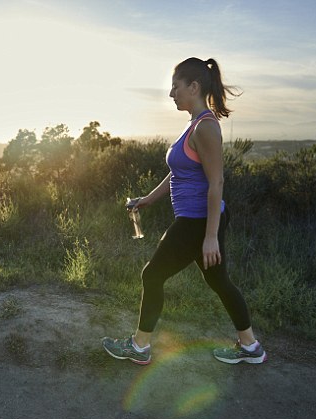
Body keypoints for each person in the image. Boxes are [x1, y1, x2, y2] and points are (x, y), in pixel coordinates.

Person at [102, 57, 267, 365]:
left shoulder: (206, 128)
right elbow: (179, 172)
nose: (171, 94)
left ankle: (139, 347)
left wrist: (210, 237)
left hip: (198, 220)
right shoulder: (193, 125)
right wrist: (149, 198)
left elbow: (216, 182)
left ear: (193, 87)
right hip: (197, 220)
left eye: (175, 87)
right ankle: (250, 347)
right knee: (219, 281)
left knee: (152, 275)